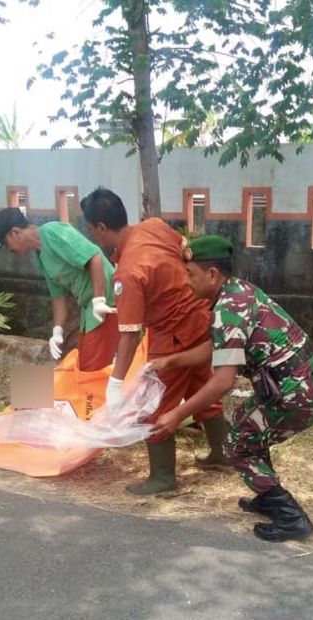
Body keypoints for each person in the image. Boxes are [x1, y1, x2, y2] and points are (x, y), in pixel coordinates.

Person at [148, 235, 313, 541]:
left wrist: (176, 415)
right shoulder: (239, 291)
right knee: (244, 426)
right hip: (305, 384)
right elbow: (219, 346)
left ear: (212, 275)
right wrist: (172, 361)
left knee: (237, 445)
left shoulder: (226, 310)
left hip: (296, 393)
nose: (186, 282)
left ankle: (291, 518)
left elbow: (223, 381)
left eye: (190, 274)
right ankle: (267, 494)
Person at [80, 187, 229, 495]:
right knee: (202, 388)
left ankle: (162, 477)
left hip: (173, 333)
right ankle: (223, 453)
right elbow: (188, 257)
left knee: (156, 403)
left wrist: (117, 383)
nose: (92, 235)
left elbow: (130, 334)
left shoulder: (128, 272)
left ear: (101, 228)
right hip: (202, 317)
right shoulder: (156, 226)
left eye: (90, 229)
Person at [0, 207, 118, 371]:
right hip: (89, 309)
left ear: (15, 232)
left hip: (107, 302)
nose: (9, 250)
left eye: (5, 243)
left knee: (92, 367)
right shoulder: (40, 256)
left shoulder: (53, 232)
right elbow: (58, 298)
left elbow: (95, 257)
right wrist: (56, 332)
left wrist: (99, 300)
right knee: (82, 362)